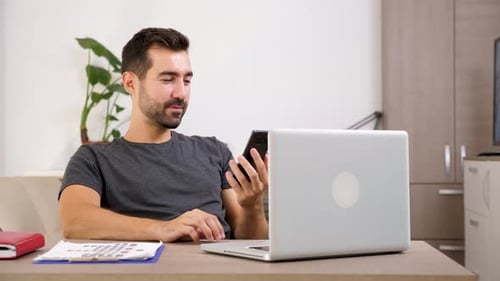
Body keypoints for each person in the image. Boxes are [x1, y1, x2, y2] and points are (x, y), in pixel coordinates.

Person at [59, 27, 269, 242]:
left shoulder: (215, 151)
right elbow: (75, 221)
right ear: (130, 83)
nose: (181, 93)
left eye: (186, 81)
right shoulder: (93, 159)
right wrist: (163, 229)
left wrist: (252, 205)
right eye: (168, 79)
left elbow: (250, 242)